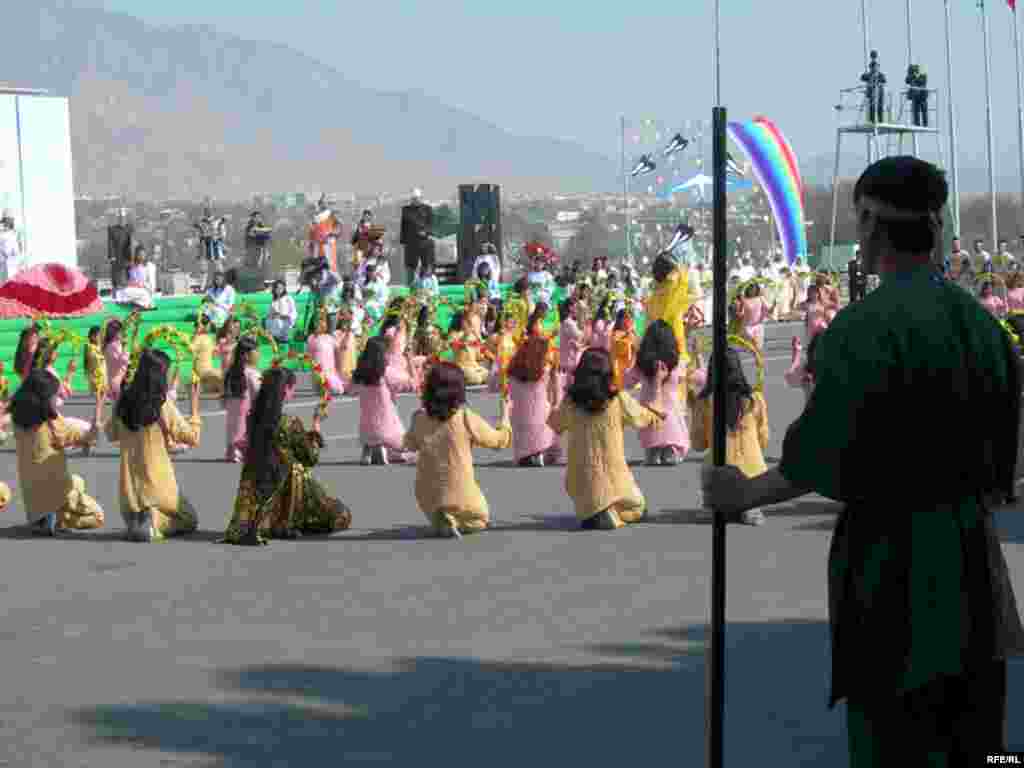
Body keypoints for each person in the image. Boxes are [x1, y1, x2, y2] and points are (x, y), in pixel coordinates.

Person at [703, 156, 1024, 764]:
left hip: (893, 575)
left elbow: (818, 454)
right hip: (975, 571)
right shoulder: (985, 330)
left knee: (895, 745)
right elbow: (1010, 458)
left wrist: (741, 492)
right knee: (979, 749)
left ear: (872, 223)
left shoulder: (861, 329)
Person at [223, 368, 353, 545]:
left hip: (255, 486)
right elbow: (311, 457)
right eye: (293, 388)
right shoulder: (288, 423)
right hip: (287, 487)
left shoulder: (252, 418)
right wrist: (316, 423)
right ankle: (286, 520)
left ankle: (268, 521)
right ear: (285, 390)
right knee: (342, 515)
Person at [547, 348, 667, 530]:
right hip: (616, 481)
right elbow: (647, 418)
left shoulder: (570, 402)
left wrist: (556, 388)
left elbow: (554, 424)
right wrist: (657, 383)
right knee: (639, 508)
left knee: (592, 498)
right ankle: (610, 511)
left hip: (579, 483)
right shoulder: (618, 399)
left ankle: (598, 511)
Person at [401, 362, 512, 538]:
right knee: (480, 519)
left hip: (427, 496)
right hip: (461, 493)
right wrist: (505, 416)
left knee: (441, 499)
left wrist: (416, 420)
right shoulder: (465, 417)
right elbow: (499, 441)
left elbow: (409, 445)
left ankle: (444, 518)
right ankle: (457, 519)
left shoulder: (420, 418)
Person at [106, 349, 202, 542]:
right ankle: (156, 520)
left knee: (137, 517)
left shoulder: (123, 401)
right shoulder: (161, 404)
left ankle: (140, 522)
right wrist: (194, 407)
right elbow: (192, 437)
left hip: (130, 495)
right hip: (159, 487)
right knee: (189, 519)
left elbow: (111, 434)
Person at [11, 370, 104, 535]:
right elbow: (85, 436)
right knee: (97, 516)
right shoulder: (52, 424)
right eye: (54, 395)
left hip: (32, 497)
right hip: (55, 489)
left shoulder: (17, 420)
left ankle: (45, 517)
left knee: (78, 481)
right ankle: (58, 519)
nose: (56, 398)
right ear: (45, 398)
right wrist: (98, 410)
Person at [624, 320, 690, 466]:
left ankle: (653, 454)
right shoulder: (677, 362)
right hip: (670, 415)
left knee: (651, 452)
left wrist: (635, 356)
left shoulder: (642, 363)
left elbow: (627, 382)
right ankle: (669, 452)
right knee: (671, 447)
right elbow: (682, 379)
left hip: (648, 413)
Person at [350, 336, 419, 465]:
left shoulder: (359, 375)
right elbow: (413, 384)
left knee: (376, 437)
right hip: (388, 430)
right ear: (383, 354)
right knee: (412, 451)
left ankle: (369, 450)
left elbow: (351, 391)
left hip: (366, 432)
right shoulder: (386, 373)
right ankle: (383, 448)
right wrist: (410, 360)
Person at [506, 333, 559, 467]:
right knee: (547, 412)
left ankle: (531, 455)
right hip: (541, 420)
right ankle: (541, 452)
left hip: (519, 420)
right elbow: (554, 396)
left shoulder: (512, 372)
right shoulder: (545, 371)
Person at [222, 336, 262, 463]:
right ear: (247, 355)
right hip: (247, 413)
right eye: (256, 351)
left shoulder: (230, 372)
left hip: (232, 413)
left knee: (233, 427)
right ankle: (242, 450)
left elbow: (224, 398)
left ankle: (232, 451)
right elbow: (258, 394)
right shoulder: (252, 373)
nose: (259, 354)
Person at [400, 189, 434, 286]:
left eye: (417, 198)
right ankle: (410, 287)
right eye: (413, 198)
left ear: (421, 198)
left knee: (426, 265)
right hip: (410, 243)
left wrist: (426, 232)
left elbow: (431, 225)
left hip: (424, 242)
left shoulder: (428, 209)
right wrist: (403, 241)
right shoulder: (406, 209)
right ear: (411, 199)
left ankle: (427, 286)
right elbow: (403, 226)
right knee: (410, 266)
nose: (415, 200)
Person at [190, 317, 223, 396]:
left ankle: (212, 387)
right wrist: (196, 334)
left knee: (227, 373)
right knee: (222, 375)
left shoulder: (208, 338)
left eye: (208, 324)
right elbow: (191, 349)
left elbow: (215, 352)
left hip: (209, 369)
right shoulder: (197, 338)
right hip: (201, 370)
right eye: (207, 324)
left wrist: (220, 345)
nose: (209, 326)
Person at [103, 319, 130, 401]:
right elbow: (123, 361)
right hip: (119, 381)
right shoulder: (114, 345)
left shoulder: (109, 345)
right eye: (122, 331)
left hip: (112, 380)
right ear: (116, 332)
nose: (124, 334)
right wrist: (125, 347)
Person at [108, 208, 133, 291]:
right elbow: (110, 243)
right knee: (117, 278)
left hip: (127, 257)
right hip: (117, 258)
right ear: (118, 218)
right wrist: (112, 256)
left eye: (123, 217)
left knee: (129, 276)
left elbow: (132, 241)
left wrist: (133, 256)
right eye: (120, 217)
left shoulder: (129, 228)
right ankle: (116, 289)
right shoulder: (112, 229)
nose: (122, 219)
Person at [861, 50, 886, 123]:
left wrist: (877, 81)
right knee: (872, 106)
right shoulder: (869, 75)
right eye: (873, 67)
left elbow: (884, 80)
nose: (875, 69)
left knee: (880, 106)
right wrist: (868, 76)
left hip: (879, 92)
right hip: (872, 93)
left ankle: (880, 120)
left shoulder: (880, 75)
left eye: (876, 67)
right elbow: (862, 77)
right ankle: (872, 120)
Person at [0, 212, 21, 281]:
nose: (8, 222)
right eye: (6, 220)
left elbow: (18, 250)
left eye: (10, 220)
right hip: (3, 264)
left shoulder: (15, 234)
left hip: (13, 264)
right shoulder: (2, 234)